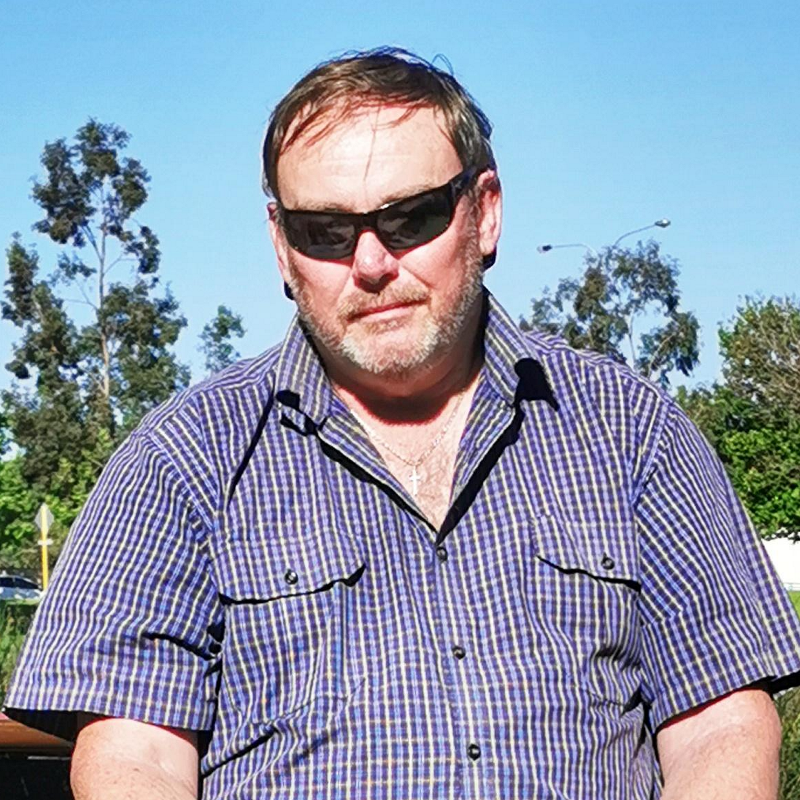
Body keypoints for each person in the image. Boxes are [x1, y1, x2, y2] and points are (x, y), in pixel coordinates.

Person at [5, 47, 800, 800]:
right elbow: (135, 754)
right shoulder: (180, 461)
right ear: (282, 248)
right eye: (326, 232)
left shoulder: (632, 433)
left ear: (483, 212)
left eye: (411, 217)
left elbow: (719, 724)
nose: (373, 263)